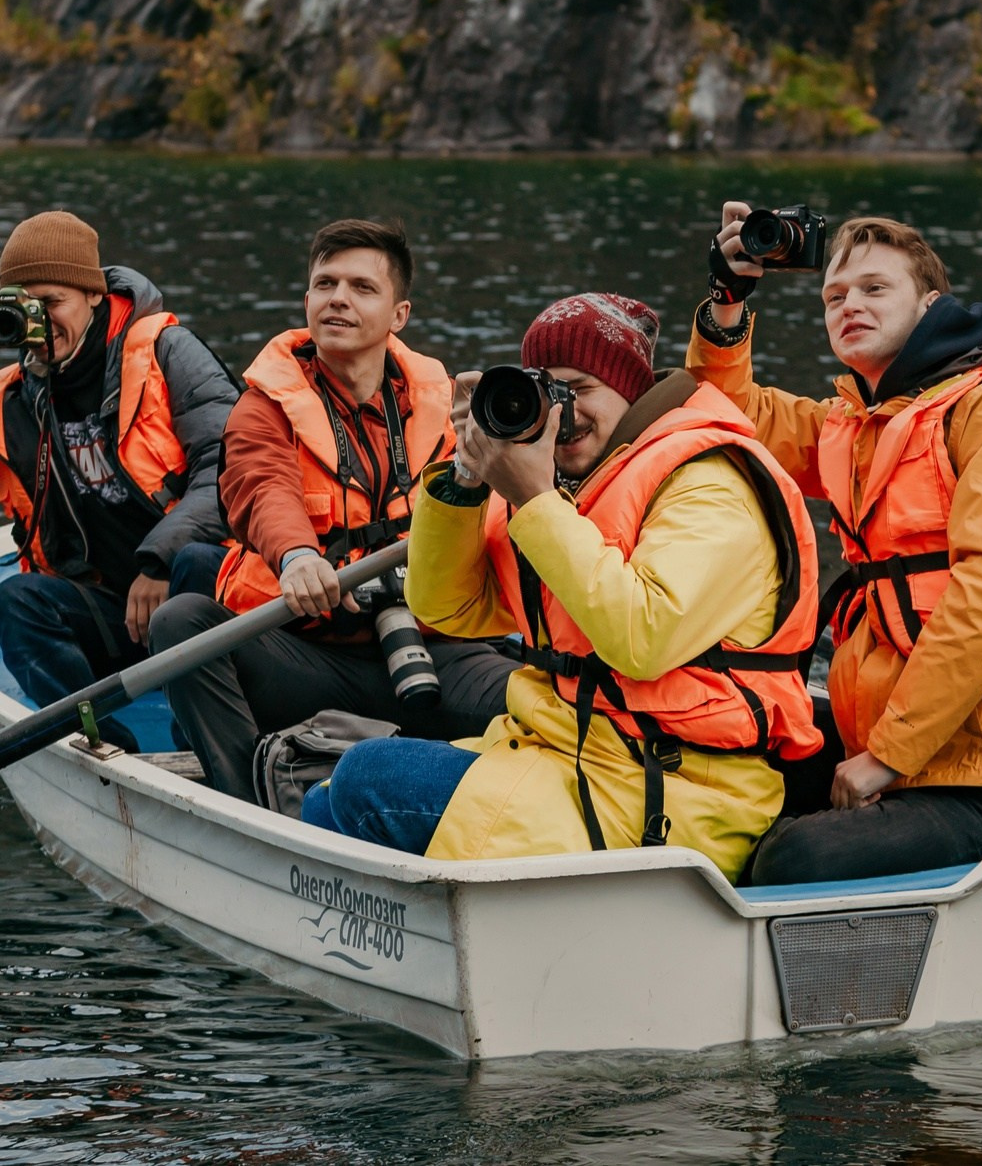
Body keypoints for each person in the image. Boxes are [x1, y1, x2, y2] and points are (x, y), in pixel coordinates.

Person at [304, 293, 822, 881]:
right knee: (326, 797)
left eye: (581, 387)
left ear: (633, 391)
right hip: (570, 755)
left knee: (367, 780)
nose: (563, 413)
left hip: (672, 789)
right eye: (547, 391)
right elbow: (446, 608)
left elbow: (642, 637)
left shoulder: (711, 483)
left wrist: (533, 498)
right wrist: (467, 479)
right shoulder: (574, 486)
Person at [683, 205, 982, 886]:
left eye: (875, 289)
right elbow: (726, 414)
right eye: (835, 295)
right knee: (706, 736)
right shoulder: (860, 421)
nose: (850, 305)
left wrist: (887, 758)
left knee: (795, 857)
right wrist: (729, 299)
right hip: (877, 744)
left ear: (931, 302)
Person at [150, 219, 515, 799]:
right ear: (307, 301)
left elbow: (500, 524)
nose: (338, 299)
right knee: (181, 624)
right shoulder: (265, 405)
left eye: (362, 288)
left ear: (399, 315)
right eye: (326, 284)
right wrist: (298, 557)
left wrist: (494, 458)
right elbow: (261, 482)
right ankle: (254, 807)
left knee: (543, 698)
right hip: (313, 657)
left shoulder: (449, 407)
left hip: (433, 652)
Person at [0, 211, 237, 751]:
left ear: (92, 295)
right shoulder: (11, 396)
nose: (38, 322)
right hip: (108, 609)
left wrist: (160, 560)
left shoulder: (166, 353)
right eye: (23, 306)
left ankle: (205, 737)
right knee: (15, 602)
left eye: (52, 302)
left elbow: (230, 467)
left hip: (196, 596)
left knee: (199, 568)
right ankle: (105, 748)